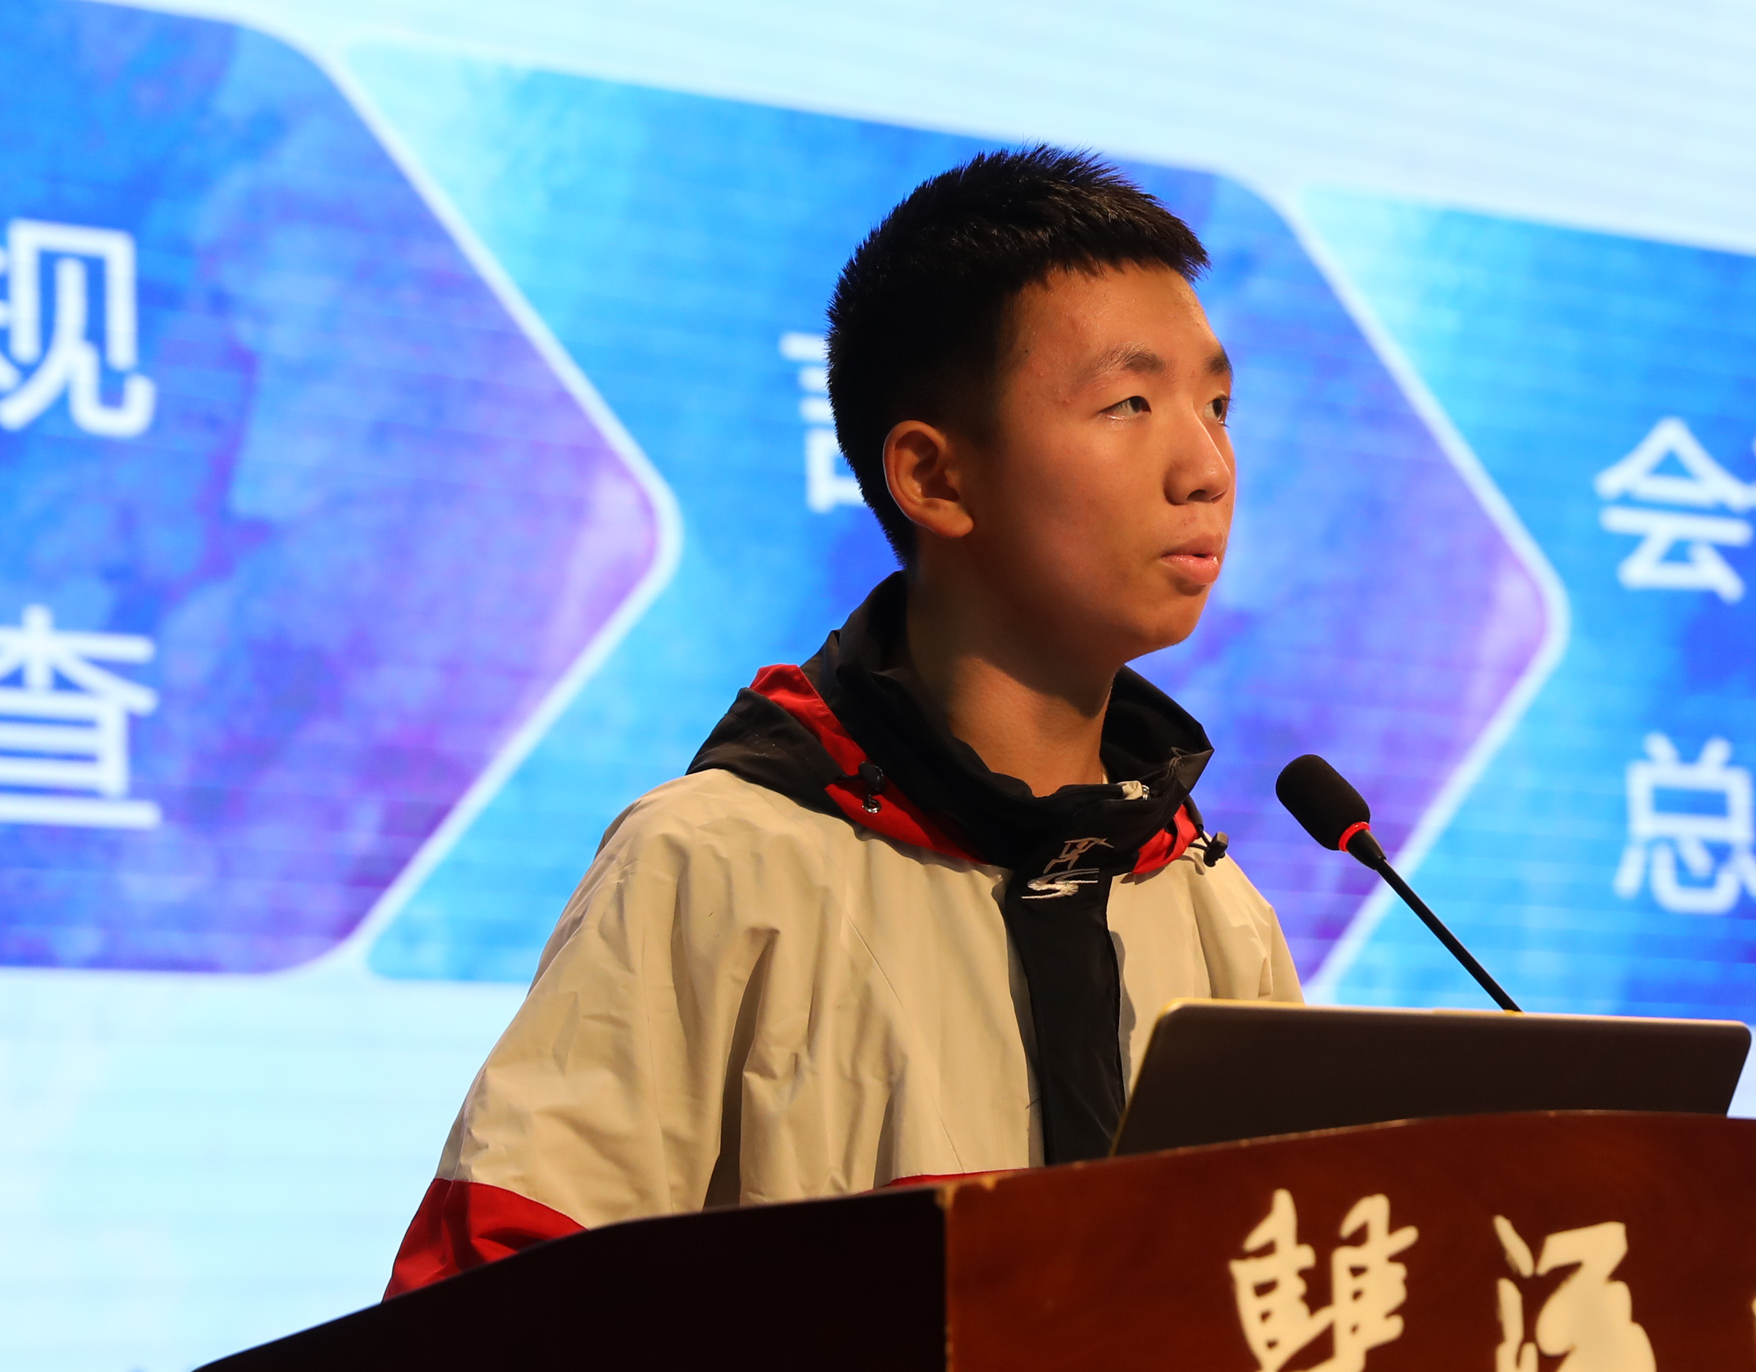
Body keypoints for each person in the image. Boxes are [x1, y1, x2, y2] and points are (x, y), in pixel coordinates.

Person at [382, 148, 1303, 1296]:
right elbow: (479, 1326)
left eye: (1217, 406)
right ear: (933, 477)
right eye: (1129, 403)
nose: (1206, 467)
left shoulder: (1215, 910)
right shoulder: (713, 864)